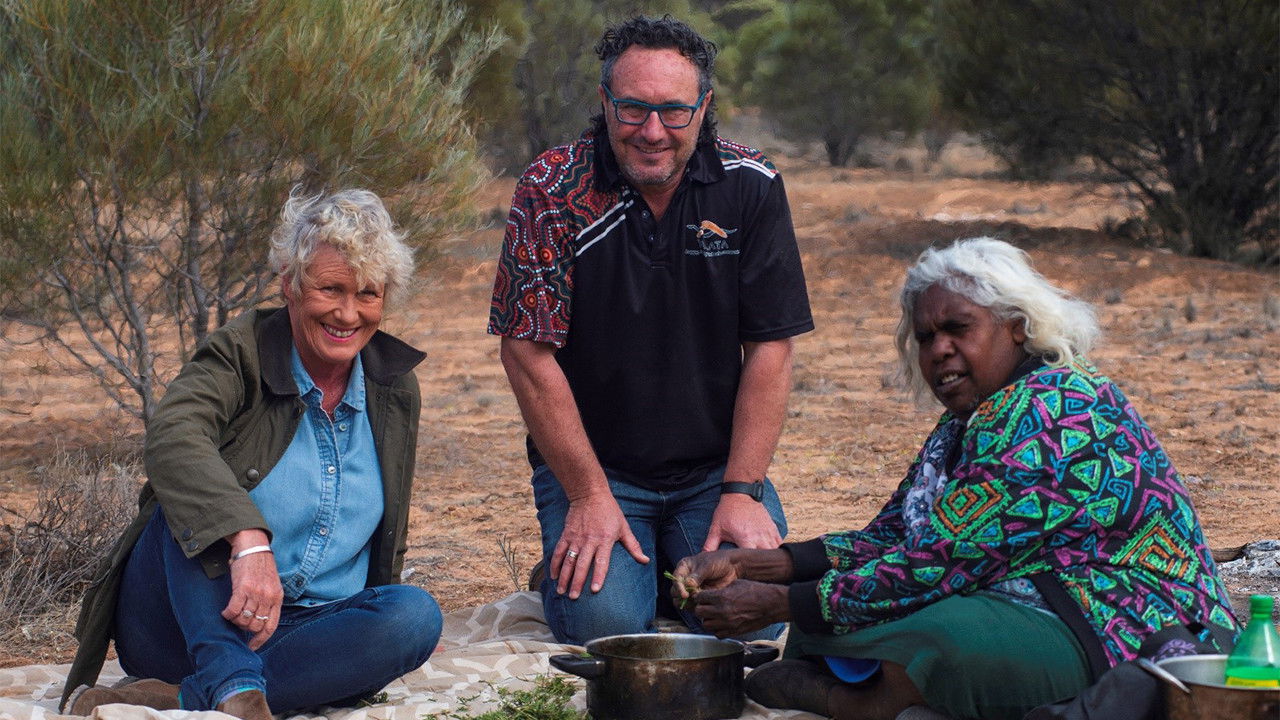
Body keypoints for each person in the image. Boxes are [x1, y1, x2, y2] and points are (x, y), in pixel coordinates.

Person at [670, 237, 1240, 720]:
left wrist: (778, 603)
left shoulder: (1056, 413)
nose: (940, 350)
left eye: (957, 328)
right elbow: (891, 538)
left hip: (1120, 624)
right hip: (1022, 596)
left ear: (1017, 327)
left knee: (936, 639)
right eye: (924, 338)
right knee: (838, 619)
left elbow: (939, 564)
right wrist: (755, 564)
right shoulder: (968, 422)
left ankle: (862, 700)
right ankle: (879, 688)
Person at [488, 14, 813, 645]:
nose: (653, 132)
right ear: (605, 102)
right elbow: (526, 352)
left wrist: (742, 491)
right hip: (596, 469)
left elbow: (771, 346)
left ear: (705, 106)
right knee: (605, 629)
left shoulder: (752, 185)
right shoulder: (551, 188)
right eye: (632, 109)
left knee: (751, 619)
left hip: (712, 471)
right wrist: (587, 494)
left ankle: (659, 560)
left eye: (673, 111)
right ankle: (590, 564)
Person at [61, 189, 442, 720]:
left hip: (302, 625)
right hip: (186, 618)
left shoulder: (394, 388)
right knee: (189, 493)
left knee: (414, 617)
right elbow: (174, 436)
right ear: (289, 283)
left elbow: (384, 553)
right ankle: (232, 681)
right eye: (329, 288)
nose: (348, 313)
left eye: (368, 294)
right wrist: (247, 540)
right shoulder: (238, 354)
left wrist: (364, 645)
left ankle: (198, 697)